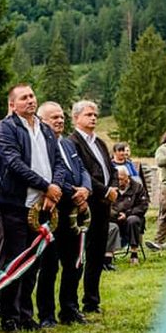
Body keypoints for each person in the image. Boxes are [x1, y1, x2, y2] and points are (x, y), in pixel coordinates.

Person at [0, 84, 67, 332]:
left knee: (34, 262)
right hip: (15, 204)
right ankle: (9, 315)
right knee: (16, 261)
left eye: (32, 96)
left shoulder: (44, 129)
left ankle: (25, 314)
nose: (30, 101)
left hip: (43, 205)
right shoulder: (6, 129)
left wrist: (54, 188)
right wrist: (46, 185)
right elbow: (13, 163)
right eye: (24, 98)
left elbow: (58, 161)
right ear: (12, 104)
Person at [36, 101, 92, 327]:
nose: (59, 121)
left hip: (75, 212)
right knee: (49, 266)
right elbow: (53, 176)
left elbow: (82, 170)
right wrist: (73, 192)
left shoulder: (68, 145)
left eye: (61, 117)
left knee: (74, 263)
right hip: (54, 211)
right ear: (42, 121)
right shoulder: (42, 146)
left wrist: (86, 189)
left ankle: (69, 309)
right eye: (53, 118)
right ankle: (47, 315)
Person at [68, 100, 118, 310]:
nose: (94, 118)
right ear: (76, 117)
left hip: (105, 204)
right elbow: (83, 173)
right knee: (80, 253)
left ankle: (92, 300)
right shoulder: (73, 142)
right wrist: (105, 190)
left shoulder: (99, 142)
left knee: (98, 253)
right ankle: (71, 302)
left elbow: (111, 168)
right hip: (86, 204)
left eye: (95, 114)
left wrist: (114, 187)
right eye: (89, 114)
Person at [111, 166, 149, 264]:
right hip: (115, 218)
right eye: (117, 179)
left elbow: (143, 206)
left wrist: (127, 214)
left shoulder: (138, 187)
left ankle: (134, 253)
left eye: (121, 179)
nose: (119, 182)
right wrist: (115, 215)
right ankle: (107, 256)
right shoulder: (112, 187)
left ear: (127, 177)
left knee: (133, 220)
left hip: (133, 218)